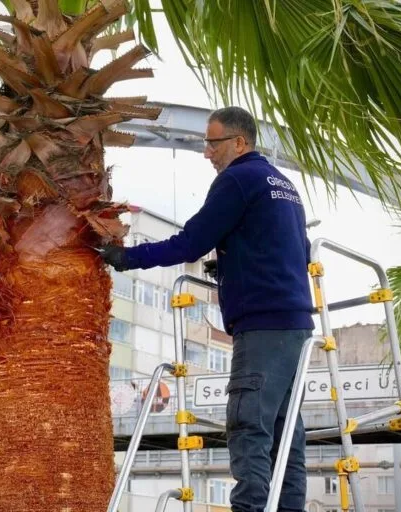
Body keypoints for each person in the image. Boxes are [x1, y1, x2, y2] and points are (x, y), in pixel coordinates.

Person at [100, 106, 314, 512]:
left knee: (249, 425)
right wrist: (233, 260)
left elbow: (191, 242)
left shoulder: (237, 180)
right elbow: (295, 251)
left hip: (263, 324)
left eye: (212, 142)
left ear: (239, 142)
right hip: (296, 324)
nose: (205, 152)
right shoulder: (283, 184)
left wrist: (127, 258)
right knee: (287, 435)